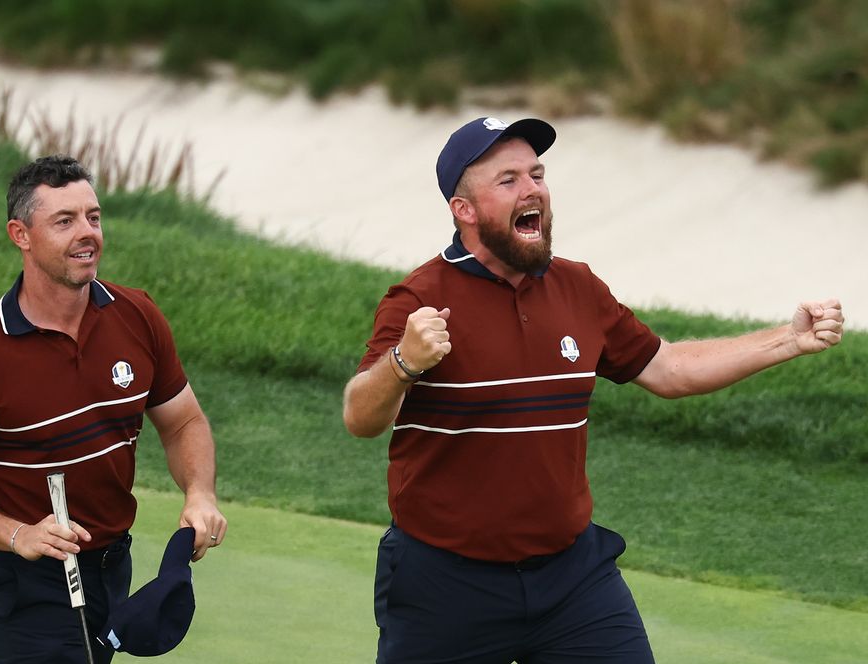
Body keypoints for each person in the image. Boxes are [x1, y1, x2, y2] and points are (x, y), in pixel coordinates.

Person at [342, 117, 844, 664]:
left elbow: (668, 368)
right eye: (508, 180)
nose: (533, 189)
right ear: (464, 210)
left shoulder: (577, 286)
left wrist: (787, 341)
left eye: (537, 174)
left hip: (572, 582)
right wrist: (402, 364)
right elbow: (361, 417)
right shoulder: (417, 298)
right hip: (445, 585)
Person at [0, 155, 227, 663]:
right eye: (65, 221)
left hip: (110, 566)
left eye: (93, 217)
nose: (88, 233)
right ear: (21, 234)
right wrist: (18, 534)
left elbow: (183, 421)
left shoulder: (137, 315)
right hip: (22, 580)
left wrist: (200, 493)